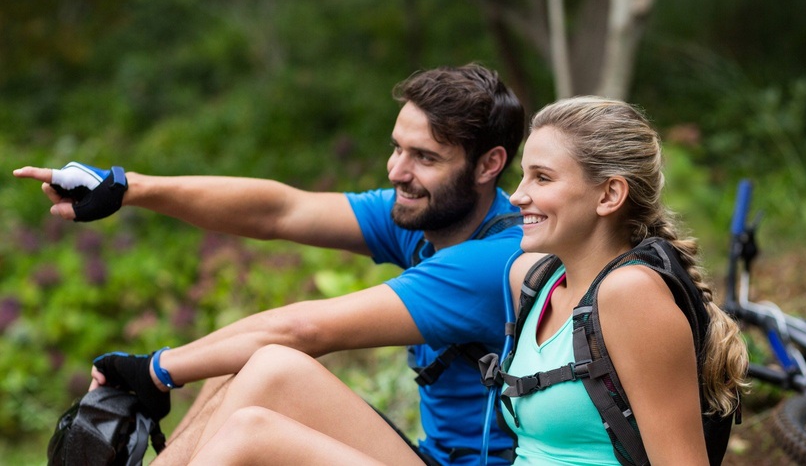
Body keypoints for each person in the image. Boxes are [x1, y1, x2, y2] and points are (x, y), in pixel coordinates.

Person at [173, 96, 750, 465]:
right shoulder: (536, 279)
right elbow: (282, 212)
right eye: (524, 175)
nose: (519, 195)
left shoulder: (631, 294)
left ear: (609, 194)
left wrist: (155, 371)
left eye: (543, 178)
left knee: (252, 437)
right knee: (268, 377)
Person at [13, 63, 526, 466]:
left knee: (272, 368)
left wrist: (155, 370)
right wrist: (130, 188)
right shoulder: (425, 217)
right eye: (396, 149)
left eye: (425, 158)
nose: (397, 171)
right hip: (425, 456)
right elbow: (280, 210)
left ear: (488, 165)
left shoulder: (497, 260)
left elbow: (303, 329)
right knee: (233, 362)